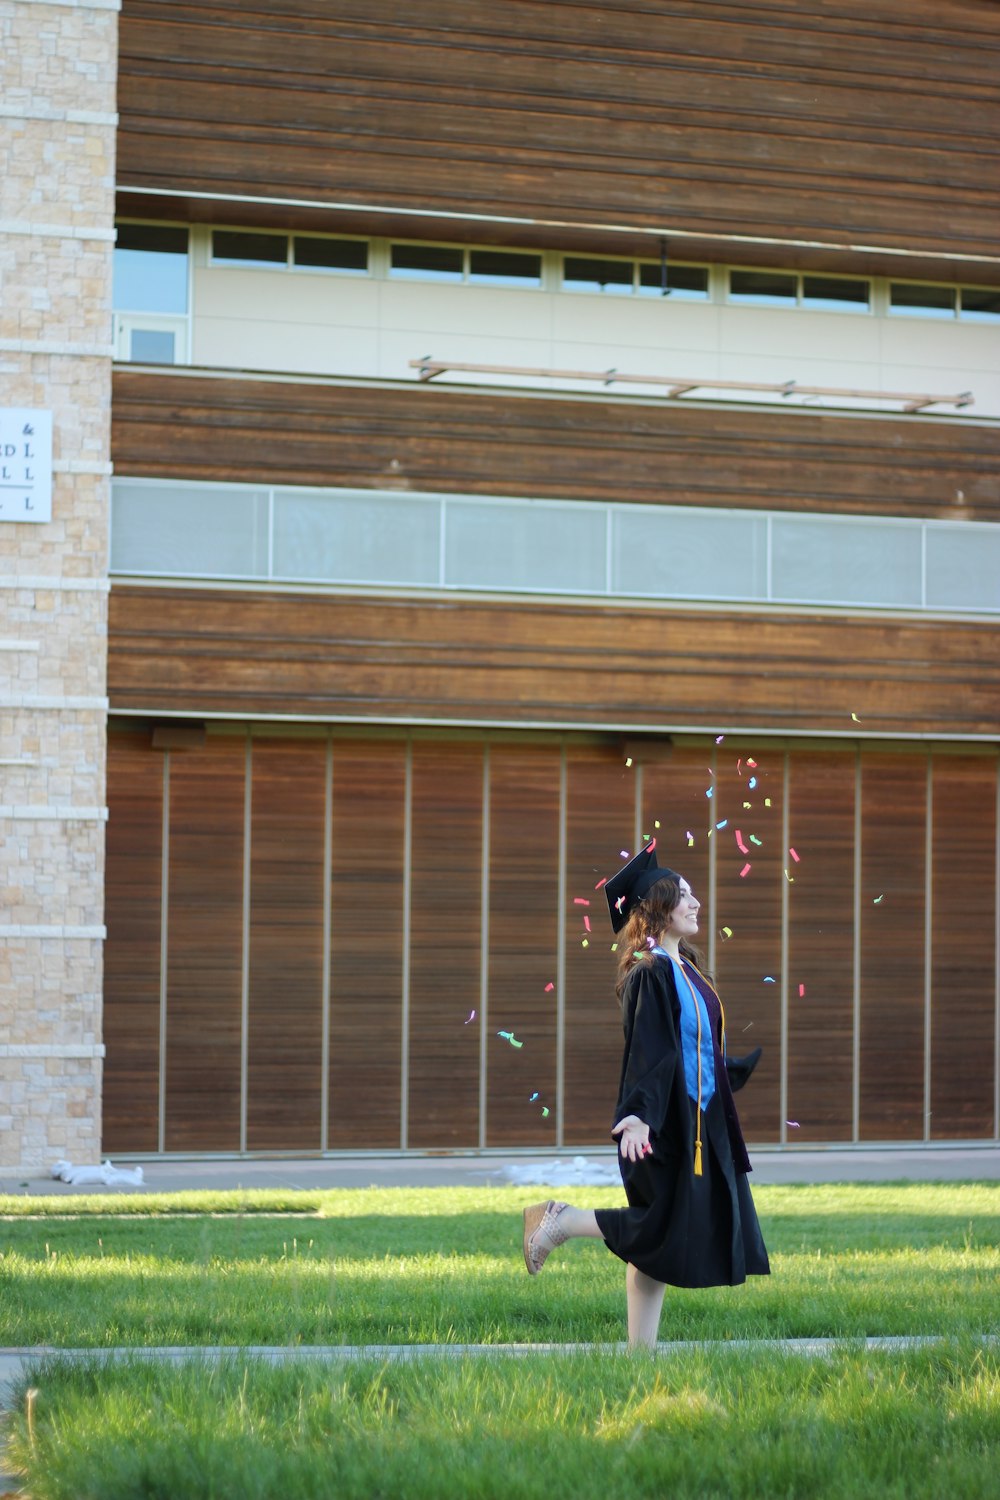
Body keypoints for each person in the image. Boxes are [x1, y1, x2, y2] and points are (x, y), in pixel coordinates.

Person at [522, 842, 770, 1348]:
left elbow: (690, 1047)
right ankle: (561, 1220)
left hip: (695, 1121)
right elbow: (650, 1050)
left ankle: (639, 1354)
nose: (695, 902)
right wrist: (637, 1116)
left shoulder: (688, 971)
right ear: (657, 907)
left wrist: (729, 1071)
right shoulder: (650, 970)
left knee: (659, 1241)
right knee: (660, 1226)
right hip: (661, 1124)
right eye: (683, 895)